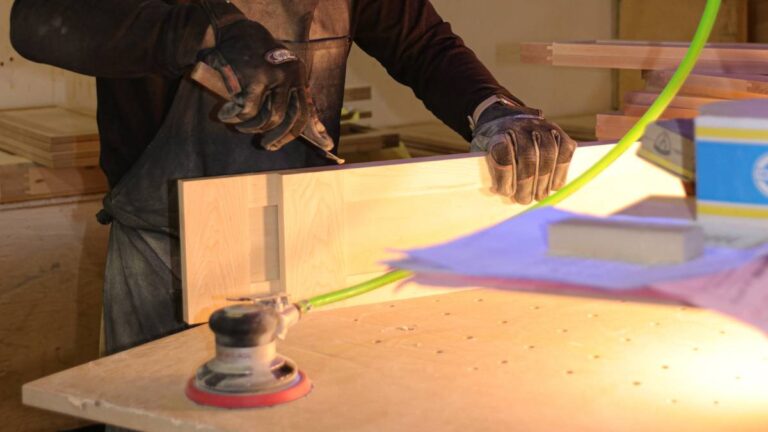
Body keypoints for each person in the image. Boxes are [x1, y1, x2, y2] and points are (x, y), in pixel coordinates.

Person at [10, 0, 577, 355]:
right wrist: (207, 31)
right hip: (163, 250)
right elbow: (37, 20)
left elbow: (422, 45)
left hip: (299, 244)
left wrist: (497, 109)